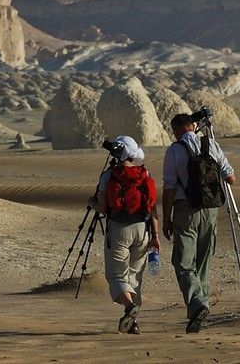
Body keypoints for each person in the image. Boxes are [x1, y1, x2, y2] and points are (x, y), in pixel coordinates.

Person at [162, 114, 236, 333]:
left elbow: (169, 188)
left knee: (183, 263)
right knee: (203, 262)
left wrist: (167, 218)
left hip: (186, 209)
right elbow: (231, 178)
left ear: (175, 131)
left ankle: (197, 305)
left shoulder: (174, 150)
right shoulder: (211, 144)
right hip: (211, 210)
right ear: (193, 127)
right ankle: (199, 310)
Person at [91, 135, 160, 334]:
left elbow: (103, 207)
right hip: (143, 229)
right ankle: (133, 323)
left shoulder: (108, 175)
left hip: (118, 229)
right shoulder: (144, 174)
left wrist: (92, 203)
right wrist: (155, 236)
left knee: (115, 275)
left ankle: (129, 308)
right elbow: (152, 207)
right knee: (134, 276)